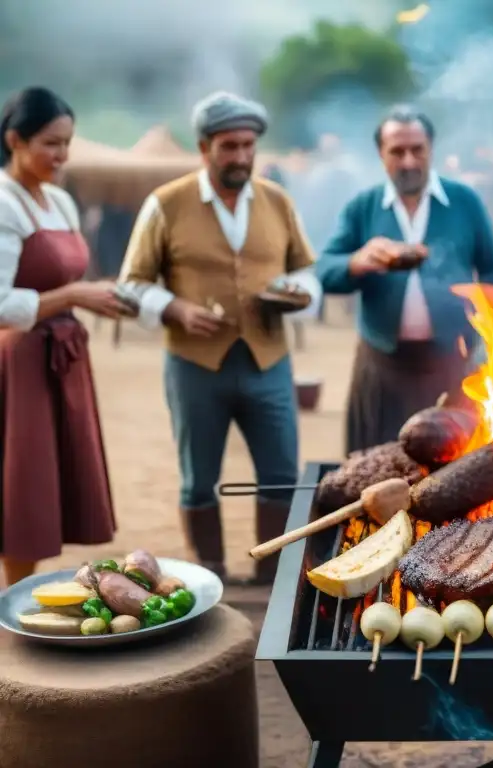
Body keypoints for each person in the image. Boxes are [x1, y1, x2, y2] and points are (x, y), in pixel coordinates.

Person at [119, 91, 322, 585]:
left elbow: (309, 276)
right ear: (204, 145)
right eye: (229, 146)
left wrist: (296, 294)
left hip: (269, 361)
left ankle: (273, 575)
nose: (241, 157)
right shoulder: (165, 204)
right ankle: (211, 573)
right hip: (194, 367)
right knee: (197, 479)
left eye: (248, 146)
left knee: (280, 473)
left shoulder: (278, 201)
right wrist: (175, 307)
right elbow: (131, 283)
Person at [316, 106, 493, 454]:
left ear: (431, 149)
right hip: (381, 368)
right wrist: (358, 262)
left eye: (417, 150)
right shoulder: (363, 207)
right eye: (397, 152)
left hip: (450, 368)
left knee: (451, 479)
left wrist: (486, 304)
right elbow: (324, 271)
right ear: (381, 154)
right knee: (373, 475)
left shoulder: (464, 202)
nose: (408, 161)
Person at [0, 87, 121, 586]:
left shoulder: (61, 202)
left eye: (68, 143)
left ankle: (25, 595)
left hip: (63, 357)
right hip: (20, 361)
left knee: (50, 481)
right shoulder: (3, 203)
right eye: (51, 143)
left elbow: (72, 281)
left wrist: (101, 295)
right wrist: (74, 296)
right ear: (14, 140)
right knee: (22, 484)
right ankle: (13, 601)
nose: (62, 155)